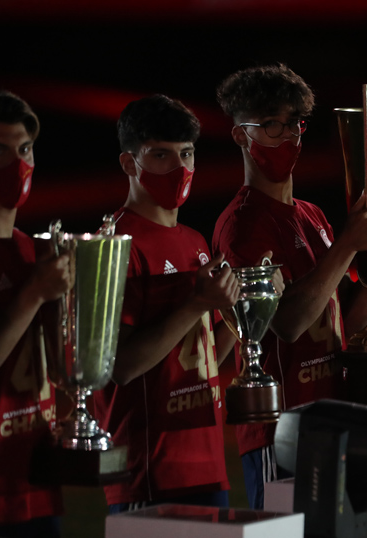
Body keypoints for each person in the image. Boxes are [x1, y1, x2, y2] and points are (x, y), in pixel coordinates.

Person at [213, 64, 367, 508]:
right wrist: (347, 245)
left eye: (295, 124)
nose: (287, 136)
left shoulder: (312, 215)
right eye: (272, 124)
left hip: (334, 415)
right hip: (281, 429)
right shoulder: (243, 224)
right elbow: (287, 323)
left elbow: (345, 320)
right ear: (241, 135)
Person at [92, 94, 241, 513]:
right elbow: (121, 366)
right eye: (161, 155)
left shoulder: (195, 241)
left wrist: (242, 307)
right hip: (148, 468)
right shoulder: (114, 245)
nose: (179, 168)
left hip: (206, 457)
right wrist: (196, 304)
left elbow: (204, 355)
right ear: (129, 163)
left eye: (187, 153)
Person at [0, 90, 69, 538]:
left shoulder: (33, 249)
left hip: (36, 475)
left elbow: (58, 364)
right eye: (0, 152)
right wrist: (33, 295)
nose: (18, 164)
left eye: (24, 150)